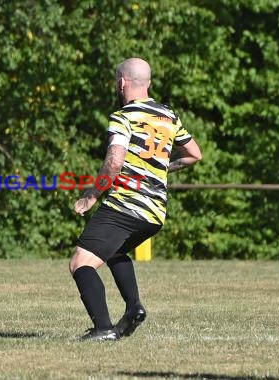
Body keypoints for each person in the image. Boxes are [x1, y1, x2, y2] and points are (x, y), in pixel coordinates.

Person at [70, 57, 202, 341]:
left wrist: (92, 194)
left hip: (126, 205)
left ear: (121, 83)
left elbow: (114, 162)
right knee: (115, 252)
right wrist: (162, 169)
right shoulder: (168, 116)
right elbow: (194, 154)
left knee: (81, 263)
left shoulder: (124, 117)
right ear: (149, 83)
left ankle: (103, 328)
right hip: (155, 212)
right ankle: (134, 309)